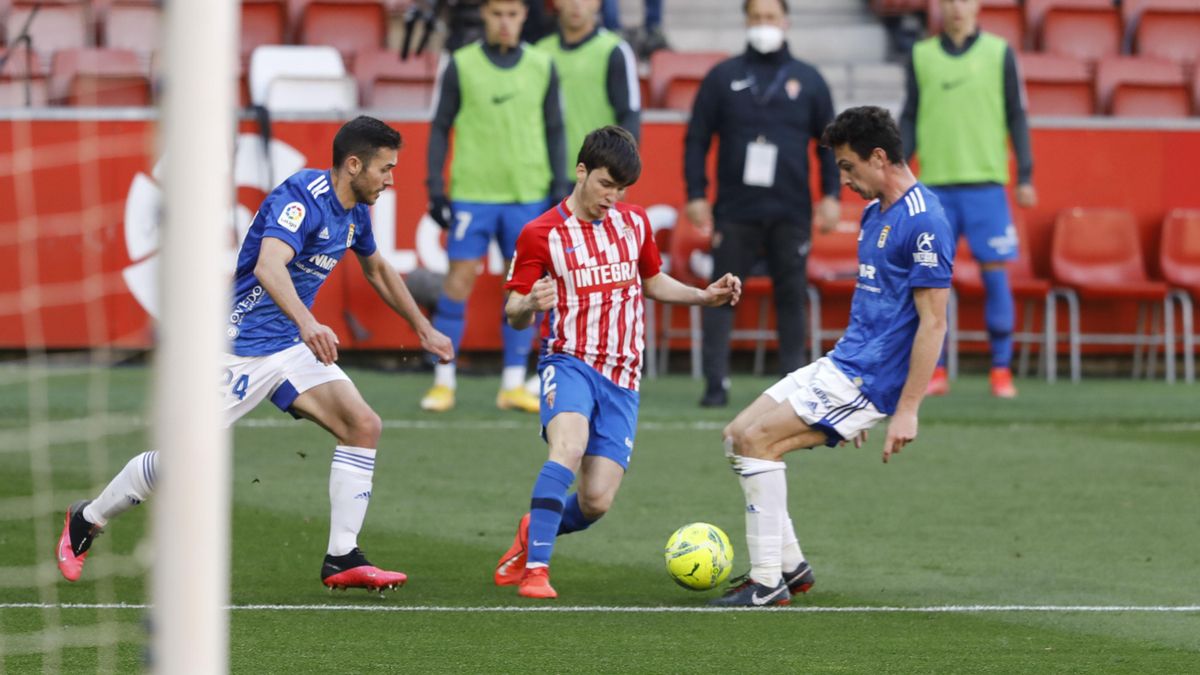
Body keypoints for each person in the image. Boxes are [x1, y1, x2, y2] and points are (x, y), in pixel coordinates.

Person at [56, 116, 454, 592]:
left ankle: (342, 555)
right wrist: (309, 323)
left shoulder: (355, 212)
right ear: (353, 165)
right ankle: (88, 518)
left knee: (362, 424)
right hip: (235, 346)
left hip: (288, 346)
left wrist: (423, 327)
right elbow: (269, 266)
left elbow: (379, 270)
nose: (391, 180)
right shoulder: (300, 199)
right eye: (385, 169)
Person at [712, 106, 953, 607]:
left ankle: (765, 584)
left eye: (847, 166)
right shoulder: (873, 214)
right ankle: (791, 566)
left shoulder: (924, 223)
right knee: (736, 436)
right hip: (843, 365)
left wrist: (904, 408)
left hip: (868, 379)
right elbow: (873, 308)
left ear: (879, 157)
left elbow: (934, 323)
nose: (842, 179)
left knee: (759, 441)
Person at [494, 126, 742, 599]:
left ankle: (535, 528)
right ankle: (537, 572)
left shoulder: (634, 224)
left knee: (595, 501)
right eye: (606, 184)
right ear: (582, 171)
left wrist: (702, 297)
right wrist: (531, 303)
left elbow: (652, 280)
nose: (613, 197)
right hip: (569, 360)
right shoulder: (540, 234)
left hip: (623, 375)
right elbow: (513, 314)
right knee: (568, 446)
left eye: (622, 189)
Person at [684, 0, 841, 409]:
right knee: (721, 295)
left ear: (785, 22)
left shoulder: (808, 79)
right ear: (745, 22)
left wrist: (831, 195)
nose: (763, 25)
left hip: (791, 210)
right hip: (735, 210)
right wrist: (696, 193)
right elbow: (697, 137)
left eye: (770, 18)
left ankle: (794, 385)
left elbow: (829, 144)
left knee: (790, 295)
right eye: (756, 18)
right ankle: (715, 384)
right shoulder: (723, 77)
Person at [424, 0, 569, 414]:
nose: (505, 22)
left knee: (524, 289)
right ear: (483, 16)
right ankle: (443, 380)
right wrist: (435, 184)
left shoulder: (543, 64)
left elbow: (555, 127)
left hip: (528, 192)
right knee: (459, 281)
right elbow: (440, 125)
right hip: (474, 191)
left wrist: (560, 186)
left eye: (512, 14)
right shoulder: (461, 64)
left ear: (524, 17)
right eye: (496, 14)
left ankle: (511, 384)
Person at [900, 0, 1036, 399]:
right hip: (936, 186)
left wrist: (1025, 174)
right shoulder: (921, 55)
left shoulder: (999, 52)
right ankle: (935, 370)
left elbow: (1017, 115)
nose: (957, 7)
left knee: (995, 275)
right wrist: (898, 168)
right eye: (948, 0)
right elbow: (910, 114)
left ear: (978, 5)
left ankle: (1000, 371)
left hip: (986, 185)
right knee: (930, 281)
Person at [537, 0, 641, 166]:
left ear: (598, 3)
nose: (576, 4)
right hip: (545, 174)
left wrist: (616, 171)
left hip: (595, 173)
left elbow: (629, 116)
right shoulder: (540, 52)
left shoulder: (614, 50)